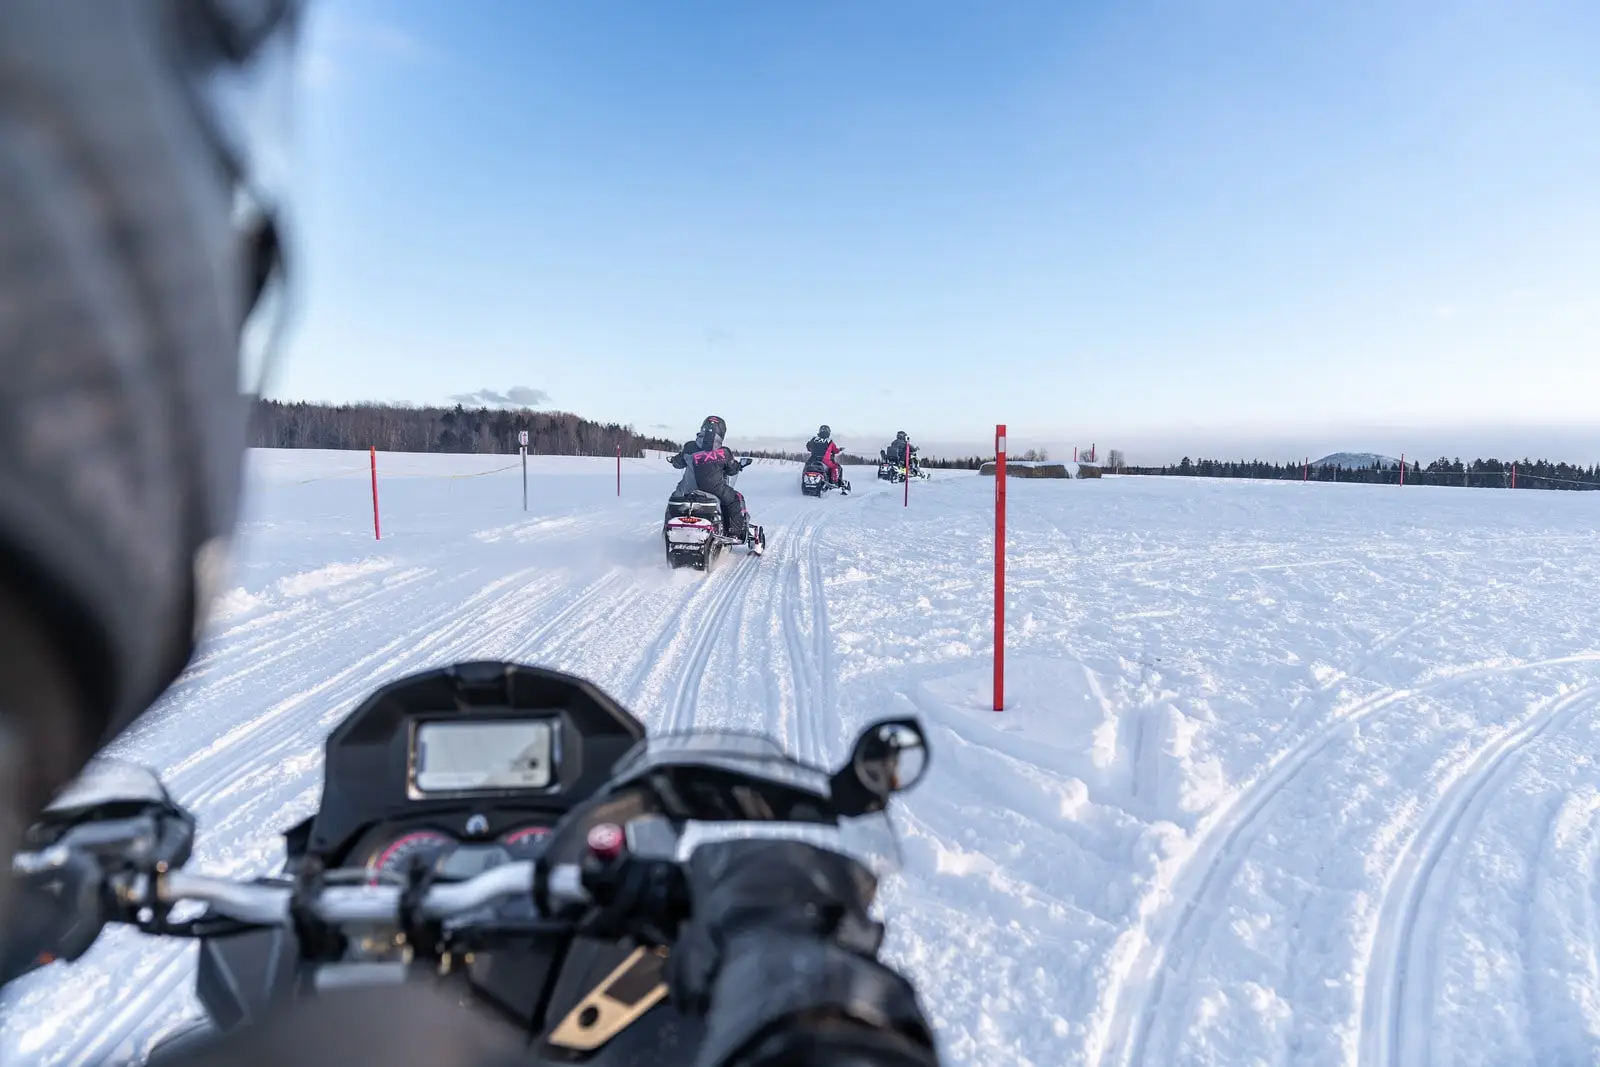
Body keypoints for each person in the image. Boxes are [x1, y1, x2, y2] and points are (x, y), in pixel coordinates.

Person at [668, 415, 753, 540]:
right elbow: (732, 470)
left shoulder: (689, 447)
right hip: (714, 489)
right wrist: (739, 466)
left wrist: (674, 460)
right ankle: (735, 532)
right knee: (735, 499)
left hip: (687, 490)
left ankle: (667, 529)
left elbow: (678, 463)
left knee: (674, 499)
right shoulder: (724, 452)